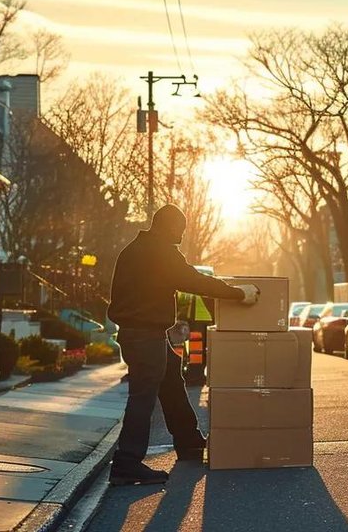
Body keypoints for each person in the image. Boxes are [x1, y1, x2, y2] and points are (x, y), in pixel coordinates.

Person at [107, 205, 259, 485]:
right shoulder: (160, 252)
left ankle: (189, 443)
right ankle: (127, 463)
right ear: (170, 226)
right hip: (145, 335)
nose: (181, 235)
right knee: (142, 398)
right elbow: (193, 280)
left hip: (141, 333)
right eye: (180, 229)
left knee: (171, 383)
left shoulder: (134, 249)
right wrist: (238, 294)